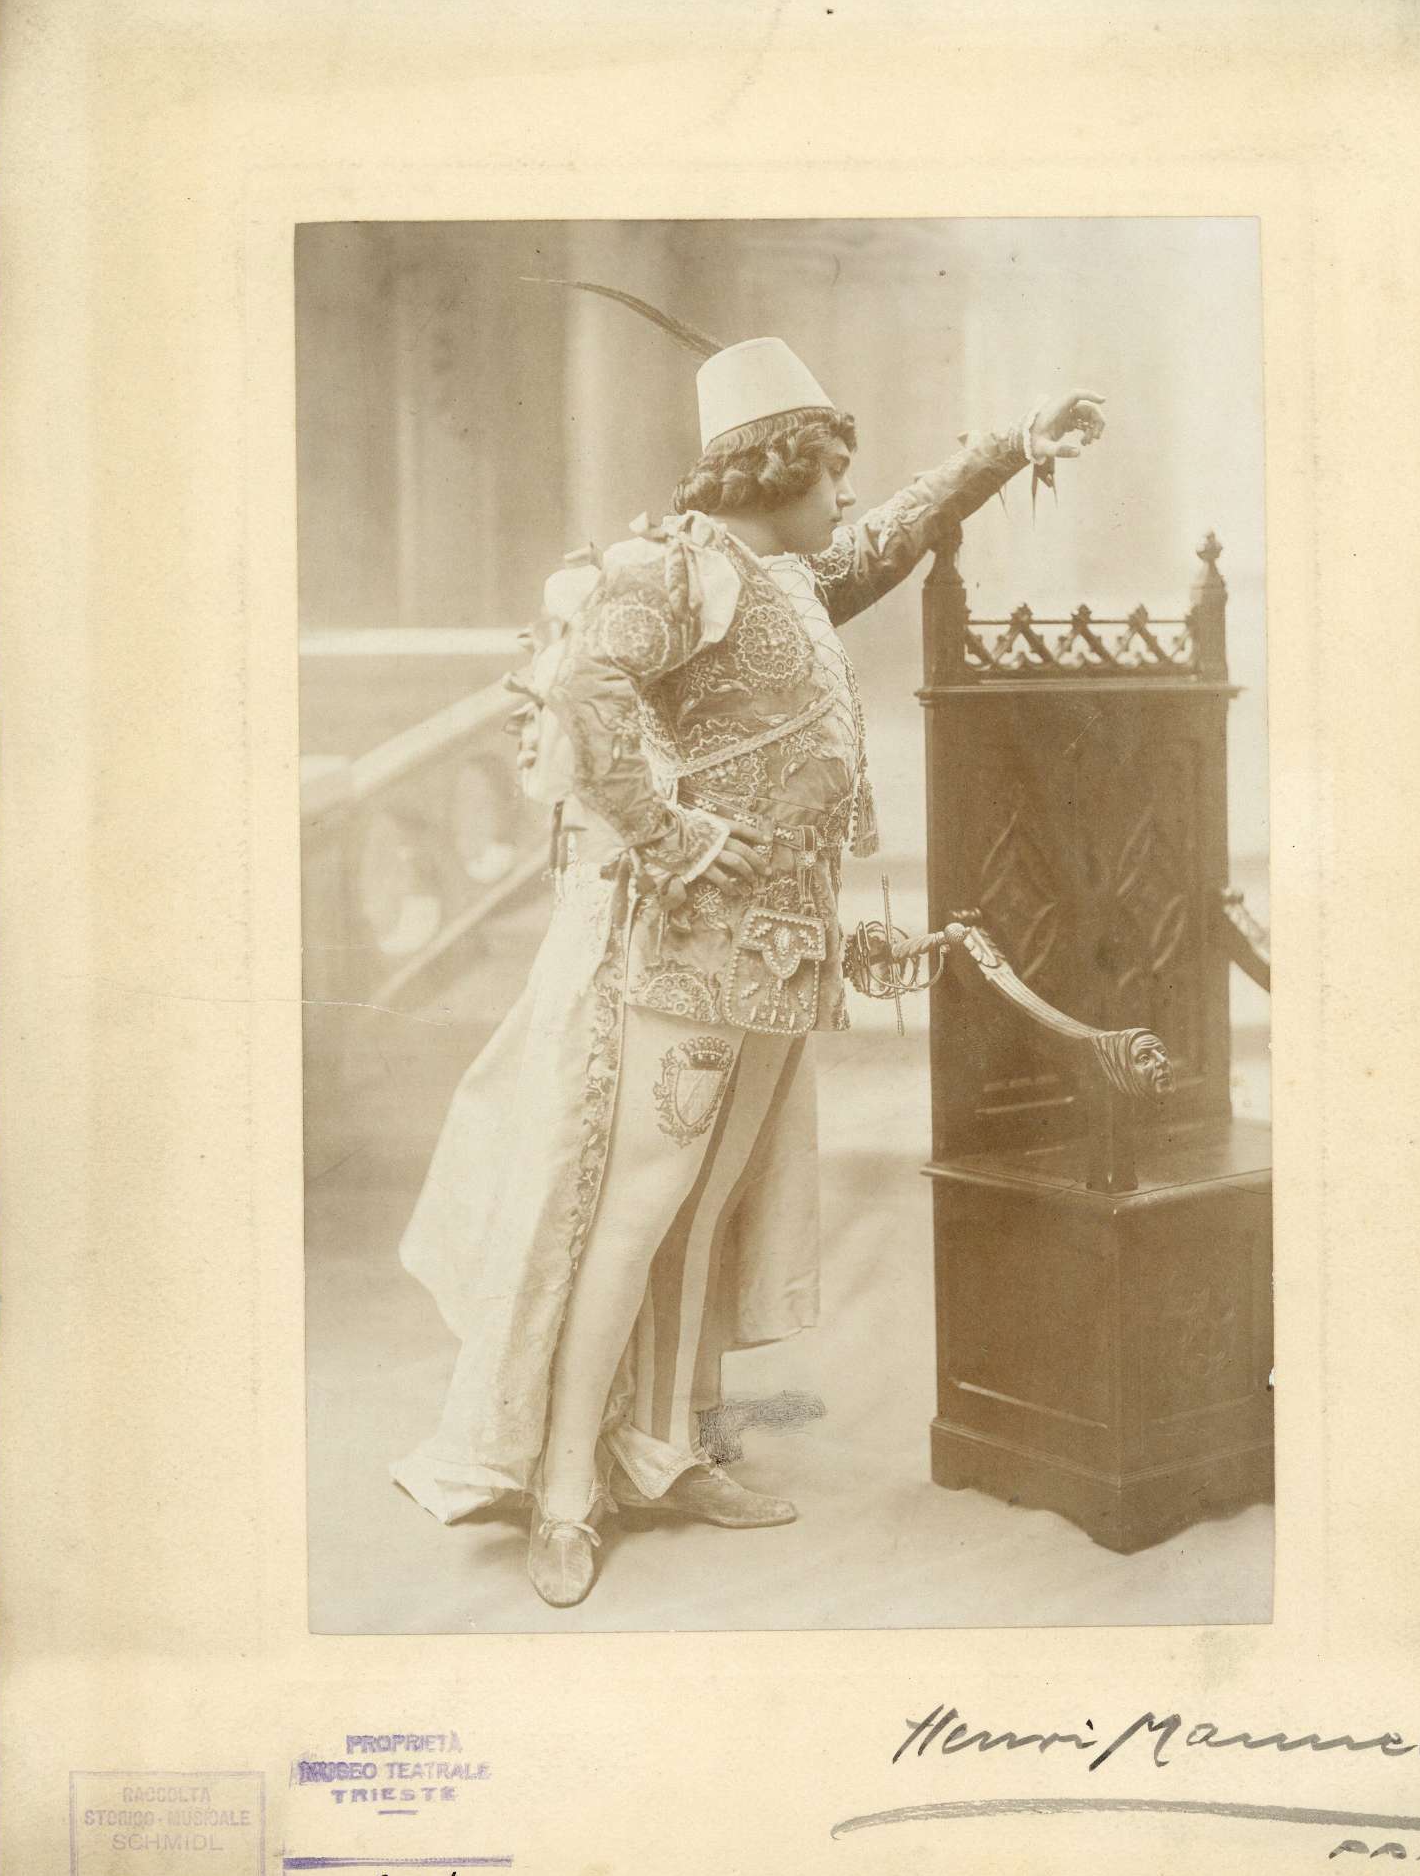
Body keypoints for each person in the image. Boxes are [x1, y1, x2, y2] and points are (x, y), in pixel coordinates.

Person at [391, 286, 1106, 1607]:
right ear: (777, 468)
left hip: (782, 952)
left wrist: (1009, 448)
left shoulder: (785, 578)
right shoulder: (671, 570)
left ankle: (659, 1451)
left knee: (704, 1214)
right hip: (688, 953)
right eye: (832, 472)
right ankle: (564, 1489)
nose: (847, 496)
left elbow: (884, 542)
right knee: (635, 1213)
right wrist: (667, 833)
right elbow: (587, 686)